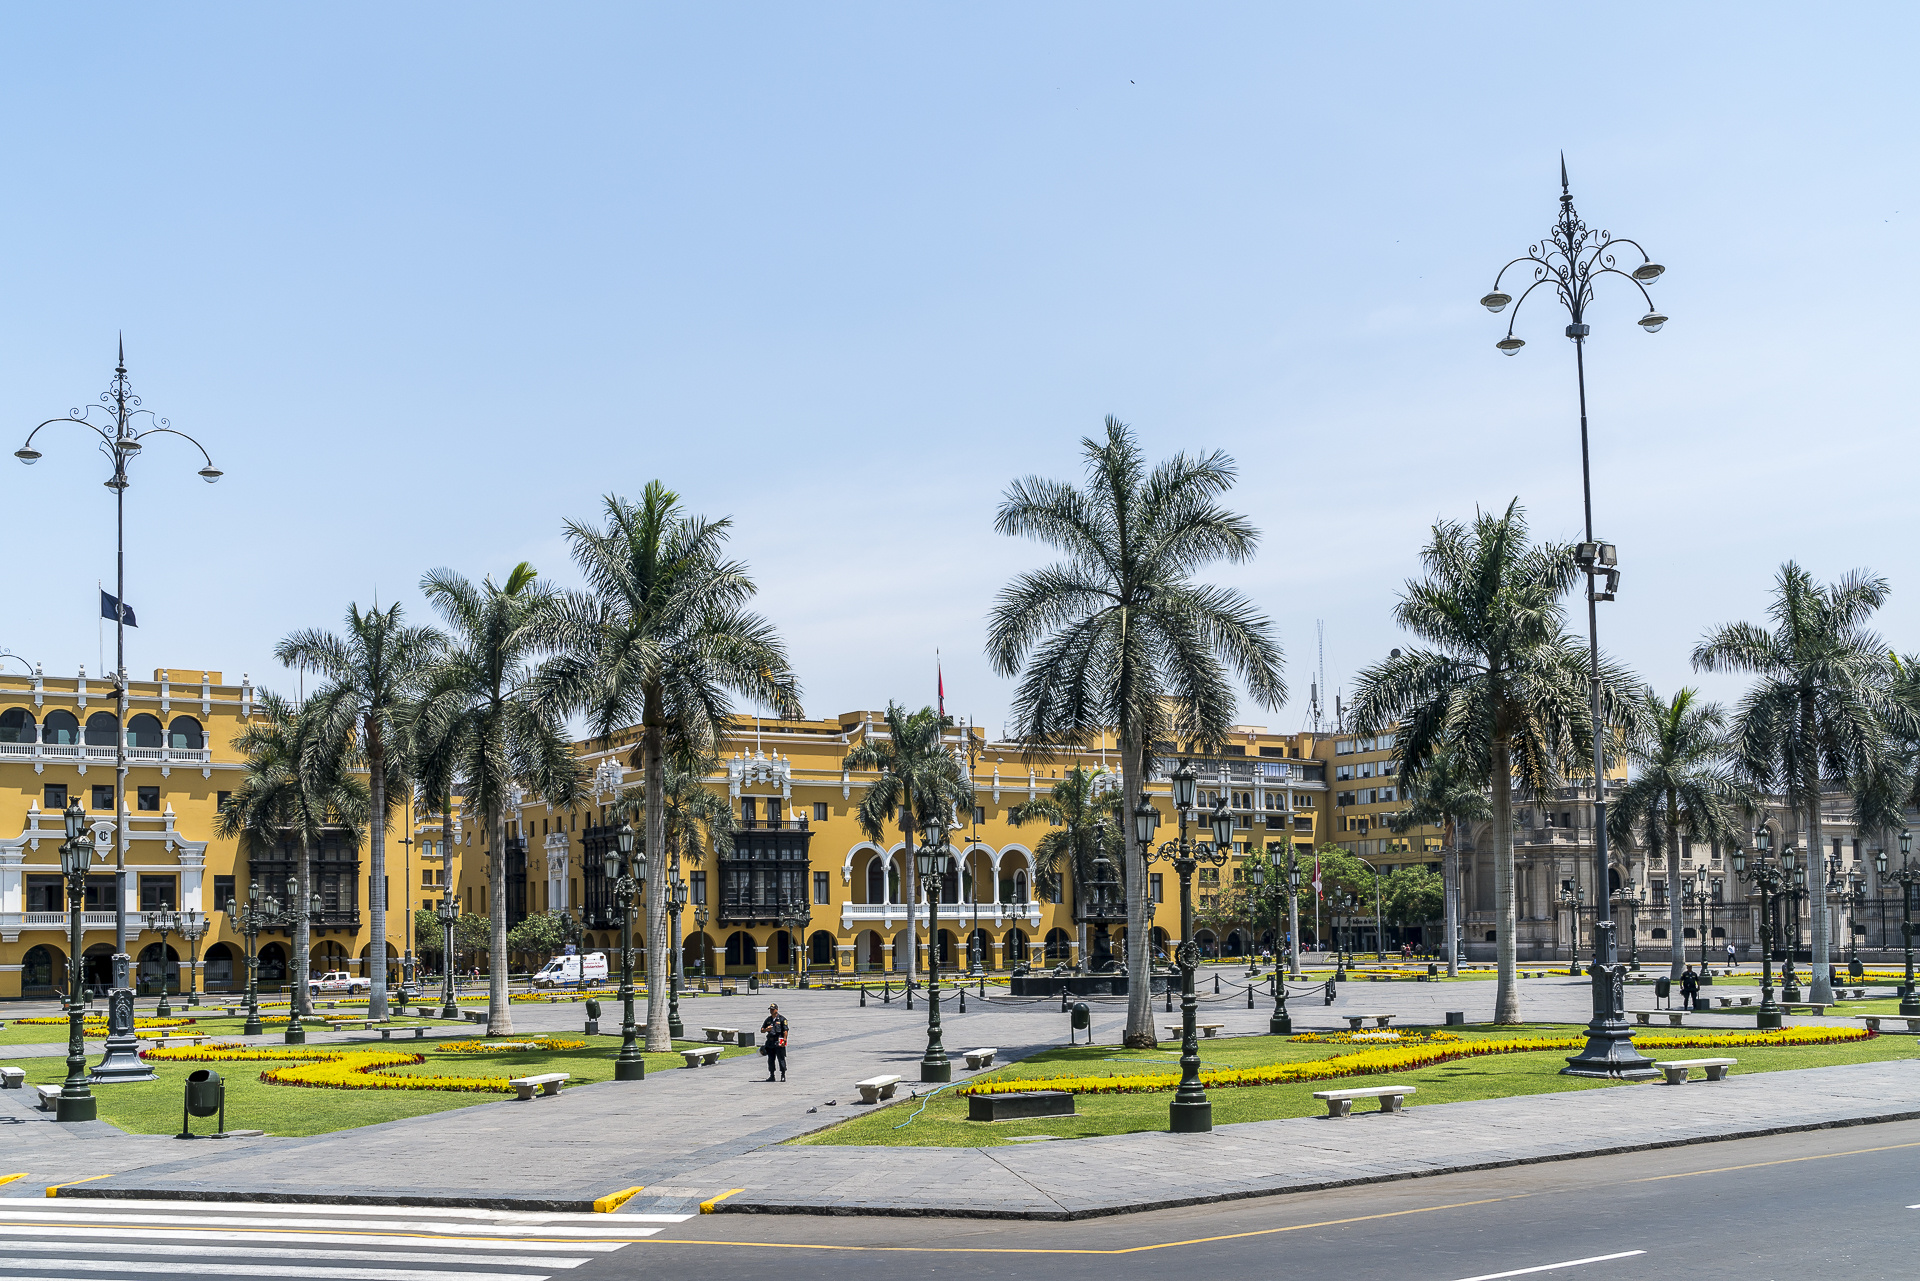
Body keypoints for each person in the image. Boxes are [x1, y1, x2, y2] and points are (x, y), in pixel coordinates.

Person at [760, 1003, 789, 1082]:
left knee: (781, 1059)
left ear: (777, 1010)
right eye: (770, 1009)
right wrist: (767, 1029)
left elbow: (785, 1030)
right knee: (771, 1059)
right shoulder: (768, 1020)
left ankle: (783, 1075)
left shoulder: (782, 1019)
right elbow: (762, 1030)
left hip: (779, 1041)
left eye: (773, 1009)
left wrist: (785, 1040)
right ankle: (772, 1075)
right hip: (770, 1042)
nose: (771, 1011)